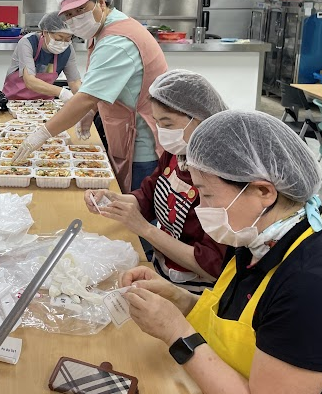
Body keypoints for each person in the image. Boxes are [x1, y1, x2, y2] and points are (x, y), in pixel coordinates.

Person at [120, 111, 322, 394]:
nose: (201, 209)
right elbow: (246, 325)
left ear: (264, 192)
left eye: (207, 195)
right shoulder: (255, 238)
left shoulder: (314, 287)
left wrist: (175, 332)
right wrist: (178, 299)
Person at [13, 0, 168, 192]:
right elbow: (105, 84)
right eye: (69, 15)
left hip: (142, 143)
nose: (75, 18)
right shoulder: (108, 29)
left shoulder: (116, 41)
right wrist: (90, 112)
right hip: (127, 131)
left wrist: (42, 134)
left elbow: (86, 97)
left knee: (136, 206)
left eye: (81, 10)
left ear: (101, 2)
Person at [85, 70, 229, 293]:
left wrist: (145, 229)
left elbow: (213, 265)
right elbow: (148, 194)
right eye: (158, 123)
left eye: (168, 124)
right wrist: (114, 200)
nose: (162, 132)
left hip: (196, 290)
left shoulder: (221, 178)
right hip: (163, 271)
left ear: (201, 118)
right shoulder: (177, 154)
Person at [2, 12, 81, 101]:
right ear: (45, 32)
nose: (62, 43)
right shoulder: (28, 42)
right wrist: (61, 92)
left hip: (45, 104)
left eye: (67, 39)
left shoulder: (68, 50)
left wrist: (82, 99)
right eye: (58, 39)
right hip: (15, 101)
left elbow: (74, 81)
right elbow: (30, 81)